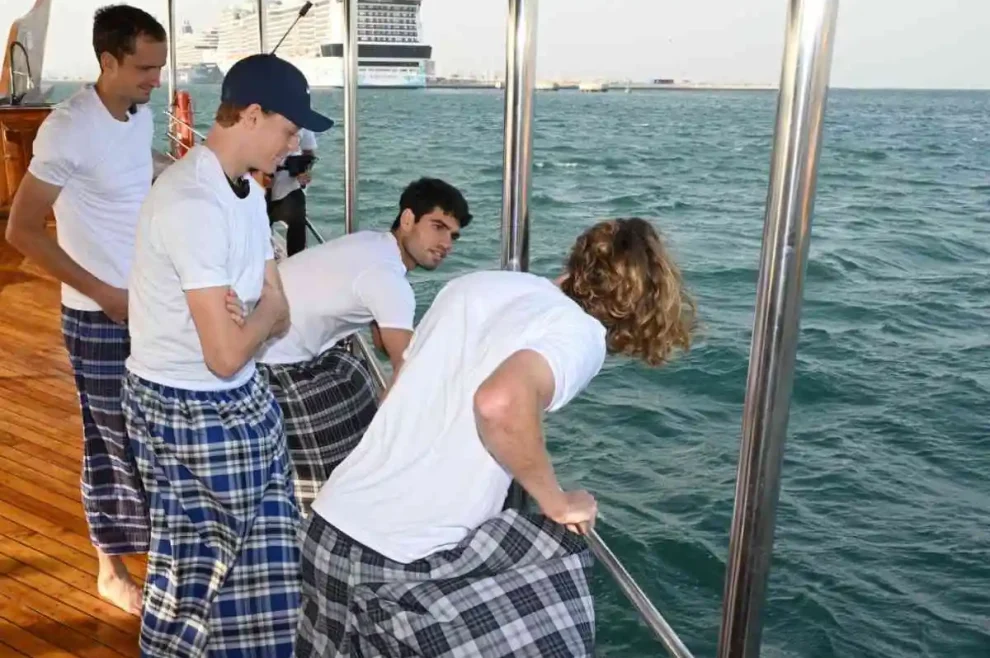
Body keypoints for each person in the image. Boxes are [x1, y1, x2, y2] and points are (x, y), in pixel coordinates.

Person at [295, 217, 698, 657]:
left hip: (330, 528)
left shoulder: (477, 285)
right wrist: (555, 501)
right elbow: (500, 402)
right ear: (638, 304)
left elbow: (400, 385)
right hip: (401, 560)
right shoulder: (580, 333)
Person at [121, 53, 333, 657]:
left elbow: (277, 305)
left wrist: (256, 318)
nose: (295, 145)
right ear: (253, 114)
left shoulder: (245, 193)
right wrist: (258, 317)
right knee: (196, 574)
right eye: (289, 130)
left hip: (239, 397)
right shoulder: (192, 203)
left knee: (267, 562)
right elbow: (224, 352)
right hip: (186, 406)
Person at [4, 4, 167, 615]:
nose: (156, 80)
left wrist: (187, 173)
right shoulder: (68, 127)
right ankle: (109, 569)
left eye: (158, 67)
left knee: (153, 434)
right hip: (99, 314)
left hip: (147, 304)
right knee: (109, 441)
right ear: (108, 61)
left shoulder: (137, 115)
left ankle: (158, 548)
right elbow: (21, 230)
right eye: (145, 68)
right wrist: (104, 294)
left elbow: (133, 176)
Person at [244, 177, 471, 515]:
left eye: (453, 235)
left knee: (355, 372)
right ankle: (330, 507)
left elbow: (381, 344)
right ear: (408, 219)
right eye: (438, 227)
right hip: (268, 369)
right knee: (361, 456)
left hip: (259, 343)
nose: (446, 243)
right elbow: (408, 372)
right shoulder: (387, 278)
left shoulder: (372, 245)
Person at [267, 127, 319, 256]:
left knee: (297, 225)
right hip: (260, 184)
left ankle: (296, 263)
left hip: (290, 185)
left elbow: (309, 153)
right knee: (258, 230)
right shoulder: (258, 117)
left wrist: (305, 170)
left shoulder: (303, 122)